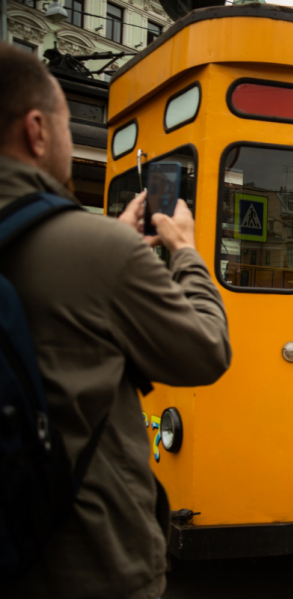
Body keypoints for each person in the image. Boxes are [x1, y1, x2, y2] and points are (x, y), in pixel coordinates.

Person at [1, 44, 231, 598]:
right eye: (63, 124)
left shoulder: (94, 247)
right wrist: (185, 251)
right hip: (83, 555)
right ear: (37, 131)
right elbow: (206, 350)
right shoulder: (98, 250)